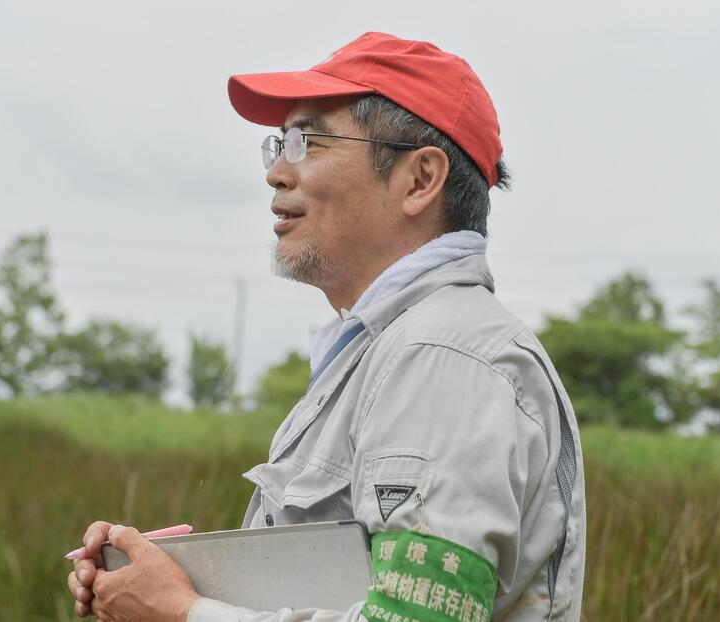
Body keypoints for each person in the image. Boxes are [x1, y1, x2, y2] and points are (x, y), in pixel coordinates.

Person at [68, 32, 586, 622]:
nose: (278, 173)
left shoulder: (442, 355)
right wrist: (180, 581)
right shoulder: (386, 349)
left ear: (419, 179)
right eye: (279, 144)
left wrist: (186, 612)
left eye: (308, 141)